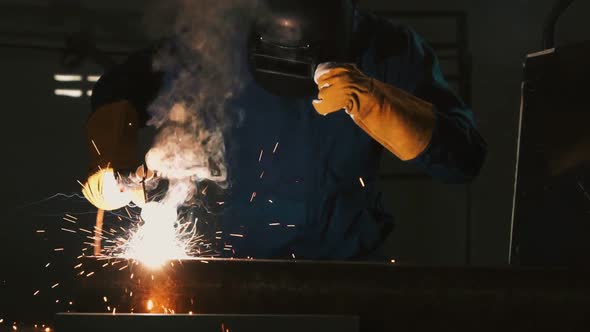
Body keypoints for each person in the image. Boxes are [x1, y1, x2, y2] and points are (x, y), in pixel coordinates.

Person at [81, 0, 486, 260]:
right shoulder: (215, 42)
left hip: (346, 275)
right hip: (232, 274)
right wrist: (111, 160)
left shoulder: (389, 50)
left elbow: (463, 159)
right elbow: (122, 86)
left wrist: (376, 101)